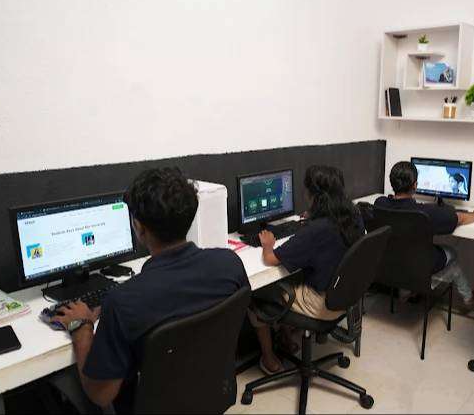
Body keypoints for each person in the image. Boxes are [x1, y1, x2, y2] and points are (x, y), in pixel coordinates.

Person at [51, 167, 250, 411]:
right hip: (212, 394)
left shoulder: (123, 300)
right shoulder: (230, 264)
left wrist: (81, 327)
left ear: (139, 227)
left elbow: (101, 394)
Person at [250, 165, 364, 375]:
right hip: (345, 298)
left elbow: (270, 259)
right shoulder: (354, 216)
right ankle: (285, 338)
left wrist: (267, 244)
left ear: (313, 195)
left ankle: (268, 357)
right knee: (290, 280)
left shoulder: (316, 231)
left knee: (256, 294)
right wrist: (313, 217)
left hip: (322, 304)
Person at [374, 161, 474, 310]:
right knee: (452, 253)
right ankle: (468, 299)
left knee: (407, 250)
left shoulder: (379, 204)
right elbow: (460, 218)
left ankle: (406, 291)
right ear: (415, 185)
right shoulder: (426, 212)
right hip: (418, 265)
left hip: (392, 262)